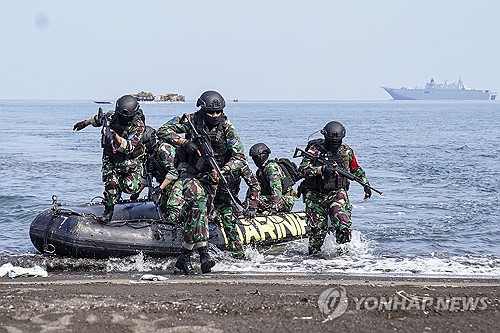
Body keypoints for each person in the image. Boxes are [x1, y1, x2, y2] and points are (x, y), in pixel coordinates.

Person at [157, 90, 246, 274]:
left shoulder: (227, 128)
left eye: (218, 112)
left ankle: (184, 256)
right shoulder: (190, 120)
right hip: (190, 173)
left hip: (212, 175)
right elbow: (163, 131)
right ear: (202, 110)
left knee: (198, 215)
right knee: (198, 204)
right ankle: (204, 254)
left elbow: (240, 157)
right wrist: (184, 142)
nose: (214, 116)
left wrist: (224, 170)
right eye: (210, 113)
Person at [298, 121, 371, 255]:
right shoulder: (314, 150)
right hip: (315, 194)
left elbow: (355, 169)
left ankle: (343, 257)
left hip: (337, 192)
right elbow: (302, 171)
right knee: (316, 232)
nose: (335, 145)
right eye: (332, 142)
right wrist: (321, 169)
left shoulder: (346, 151)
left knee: (343, 225)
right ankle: (313, 261)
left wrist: (366, 185)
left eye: (337, 142)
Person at [73, 95, 146, 223]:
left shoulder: (138, 126)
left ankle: (141, 184)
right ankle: (109, 211)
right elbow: (97, 119)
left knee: (129, 187)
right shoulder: (111, 116)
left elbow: (129, 147)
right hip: (111, 159)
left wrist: (114, 136)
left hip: (130, 162)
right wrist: (84, 123)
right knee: (111, 184)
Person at [131, 125, 184, 224]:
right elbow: (145, 176)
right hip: (166, 184)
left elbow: (174, 172)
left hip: (179, 182)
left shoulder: (164, 149)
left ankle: (178, 226)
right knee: (162, 208)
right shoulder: (147, 155)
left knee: (173, 206)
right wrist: (136, 192)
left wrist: (159, 189)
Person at [211, 156, 260, 259]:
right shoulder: (208, 161)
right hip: (208, 200)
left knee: (229, 226)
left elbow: (254, 185)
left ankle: (238, 255)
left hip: (227, 201)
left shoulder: (239, 164)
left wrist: (252, 207)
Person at [249, 143, 295, 214]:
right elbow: (256, 188)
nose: (255, 161)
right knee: (252, 198)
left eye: (256, 158)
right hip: (273, 198)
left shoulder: (271, 168)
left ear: (263, 155)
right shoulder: (260, 171)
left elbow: (277, 190)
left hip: (285, 200)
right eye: (253, 158)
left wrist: (273, 208)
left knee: (258, 200)